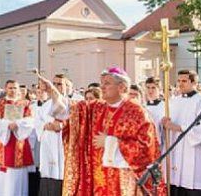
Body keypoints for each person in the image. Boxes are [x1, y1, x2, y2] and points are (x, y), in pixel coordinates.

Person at [45, 67, 164, 195]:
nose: (102, 87)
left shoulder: (136, 112)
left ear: (122, 87)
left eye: (107, 83)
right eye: (101, 83)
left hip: (124, 180)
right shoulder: (97, 107)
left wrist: (109, 142)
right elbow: (71, 110)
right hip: (99, 178)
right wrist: (53, 92)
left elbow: (146, 149)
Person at [160, 70, 201, 196]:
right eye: (178, 81)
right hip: (175, 150)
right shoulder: (173, 101)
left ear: (194, 82)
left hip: (193, 151)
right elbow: (166, 124)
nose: (180, 84)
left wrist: (179, 127)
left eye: (184, 81)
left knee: (191, 186)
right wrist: (163, 124)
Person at [0, 80, 35, 196]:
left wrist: (18, 124)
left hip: (19, 143)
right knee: (3, 178)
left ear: (18, 89)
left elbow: (31, 120)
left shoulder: (25, 104)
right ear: (5, 89)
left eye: (15, 88)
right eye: (10, 88)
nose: (13, 90)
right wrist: (6, 125)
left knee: (18, 177)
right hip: (3, 144)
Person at [34, 74, 69, 196]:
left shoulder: (71, 104)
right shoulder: (45, 106)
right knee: (48, 177)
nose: (56, 86)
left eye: (60, 84)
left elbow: (75, 122)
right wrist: (44, 126)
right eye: (54, 84)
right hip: (48, 144)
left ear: (67, 87)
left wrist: (62, 126)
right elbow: (37, 122)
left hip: (63, 145)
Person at [144, 77, 165, 146]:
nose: (150, 90)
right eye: (148, 87)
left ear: (159, 89)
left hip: (159, 143)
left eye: (153, 88)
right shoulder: (142, 106)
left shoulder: (165, 106)